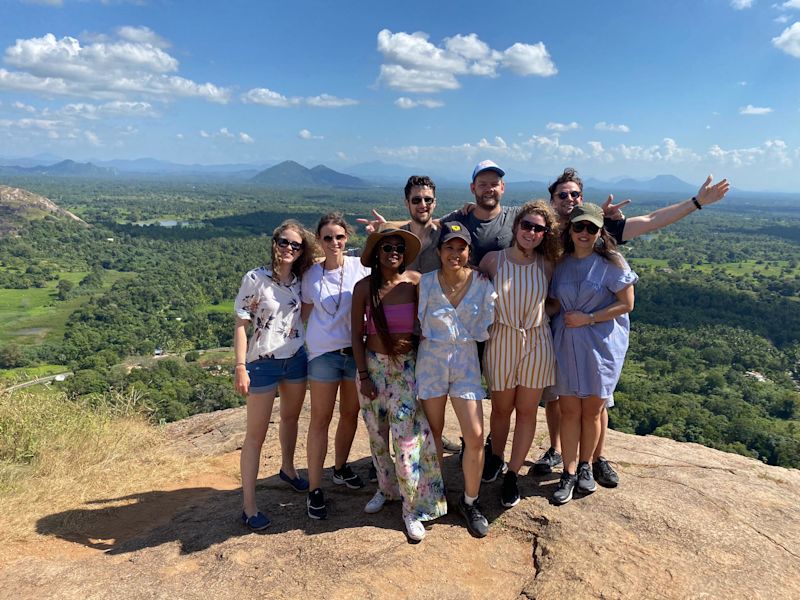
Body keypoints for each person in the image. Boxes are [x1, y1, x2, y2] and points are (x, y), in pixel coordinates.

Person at [533, 168, 731, 487]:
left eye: (575, 195)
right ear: (552, 199)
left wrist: (696, 201)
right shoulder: (543, 229)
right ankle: (557, 453)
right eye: (562, 195)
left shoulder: (598, 224)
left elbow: (652, 219)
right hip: (562, 326)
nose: (569, 199)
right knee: (559, 397)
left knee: (597, 398)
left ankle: (594, 459)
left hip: (594, 330)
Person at [351, 228, 447, 541]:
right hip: (373, 370)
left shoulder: (416, 282)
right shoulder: (364, 288)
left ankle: (413, 507)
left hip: (406, 369)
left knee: (406, 443)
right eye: (387, 247)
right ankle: (386, 489)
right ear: (376, 254)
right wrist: (364, 376)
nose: (394, 252)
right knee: (377, 437)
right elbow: (356, 336)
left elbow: (433, 318)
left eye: (399, 248)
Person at [549, 204, 638, 504]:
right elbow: (552, 303)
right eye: (579, 227)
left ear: (600, 232)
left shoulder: (612, 262)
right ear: (570, 230)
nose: (584, 233)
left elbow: (626, 304)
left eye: (591, 228)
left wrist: (588, 318)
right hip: (566, 344)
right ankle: (569, 471)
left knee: (592, 411)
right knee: (570, 410)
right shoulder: (560, 264)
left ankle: (586, 465)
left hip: (600, 346)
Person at [233, 220, 317, 530]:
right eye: (284, 242)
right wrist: (240, 366)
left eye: (296, 245)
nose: (289, 249)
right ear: (274, 242)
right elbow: (241, 324)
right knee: (255, 436)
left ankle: (288, 469)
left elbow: (333, 254)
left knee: (291, 419)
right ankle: (249, 506)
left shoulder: (302, 279)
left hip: (295, 358)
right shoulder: (255, 279)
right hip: (263, 363)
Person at [478, 201, 562, 508]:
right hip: (501, 337)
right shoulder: (492, 261)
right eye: (526, 225)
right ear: (516, 227)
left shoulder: (547, 264)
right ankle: (496, 457)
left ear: (545, 234)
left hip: (537, 341)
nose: (531, 232)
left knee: (527, 411)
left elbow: (553, 301)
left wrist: (540, 316)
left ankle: (513, 473)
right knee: (501, 409)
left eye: (539, 228)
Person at [417, 222, 496, 537]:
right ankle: (435, 496)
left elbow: (487, 325)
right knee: (433, 433)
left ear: (469, 251)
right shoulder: (423, 284)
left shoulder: (482, 284)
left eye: (461, 247)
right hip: (431, 361)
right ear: (438, 251)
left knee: (475, 436)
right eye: (449, 246)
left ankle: (470, 500)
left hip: (465, 363)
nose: (455, 253)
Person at [302, 212, 370, 519]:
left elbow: (396, 246)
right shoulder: (310, 274)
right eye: (327, 237)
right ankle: (315, 487)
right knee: (320, 418)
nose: (334, 243)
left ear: (347, 239)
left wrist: (384, 226)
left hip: (355, 353)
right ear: (319, 240)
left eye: (339, 237)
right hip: (324, 355)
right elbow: (303, 313)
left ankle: (340, 467)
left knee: (350, 413)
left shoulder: (359, 266)